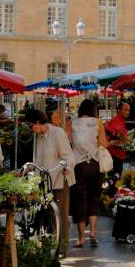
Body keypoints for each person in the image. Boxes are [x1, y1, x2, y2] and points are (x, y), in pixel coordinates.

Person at [26, 109, 75, 256]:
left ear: (38, 123)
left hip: (60, 180)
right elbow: (37, 161)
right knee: (47, 215)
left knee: (60, 214)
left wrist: (66, 166)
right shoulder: (39, 137)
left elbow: (69, 156)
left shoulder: (57, 133)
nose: (30, 129)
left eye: (30, 125)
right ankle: (48, 245)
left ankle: (62, 248)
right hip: (44, 182)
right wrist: (28, 169)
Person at [69, 99, 107, 248]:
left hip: (79, 165)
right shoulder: (98, 123)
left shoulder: (73, 123)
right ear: (93, 110)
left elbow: (66, 140)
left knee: (80, 199)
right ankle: (92, 233)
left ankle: (80, 238)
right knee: (94, 198)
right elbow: (103, 143)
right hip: (96, 164)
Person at [105, 102, 131, 179]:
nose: (127, 112)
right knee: (114, 179)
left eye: (128, 110)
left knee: (116, 179)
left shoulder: (121, 120)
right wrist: (123, 139)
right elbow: (110, 135)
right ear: (119, 110)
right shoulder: (116, 121)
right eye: (125, 110)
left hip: (119, 155)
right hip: (114, 155)